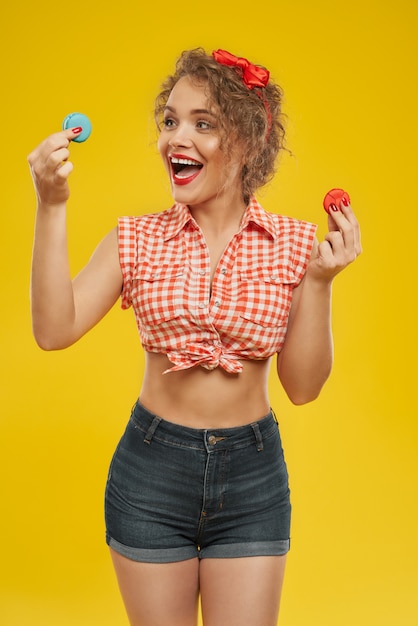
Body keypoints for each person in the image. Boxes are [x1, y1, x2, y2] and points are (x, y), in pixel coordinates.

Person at [28, 48, 362, 626]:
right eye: (171, 120)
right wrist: (51, 205)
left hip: (253, 476)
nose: (175, 138)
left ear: (248, 142)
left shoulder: (294, 244)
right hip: (151, 471)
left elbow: (303, 388)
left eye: (202, 123)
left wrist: (322, 281)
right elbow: (54, 331)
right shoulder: (135, 239)